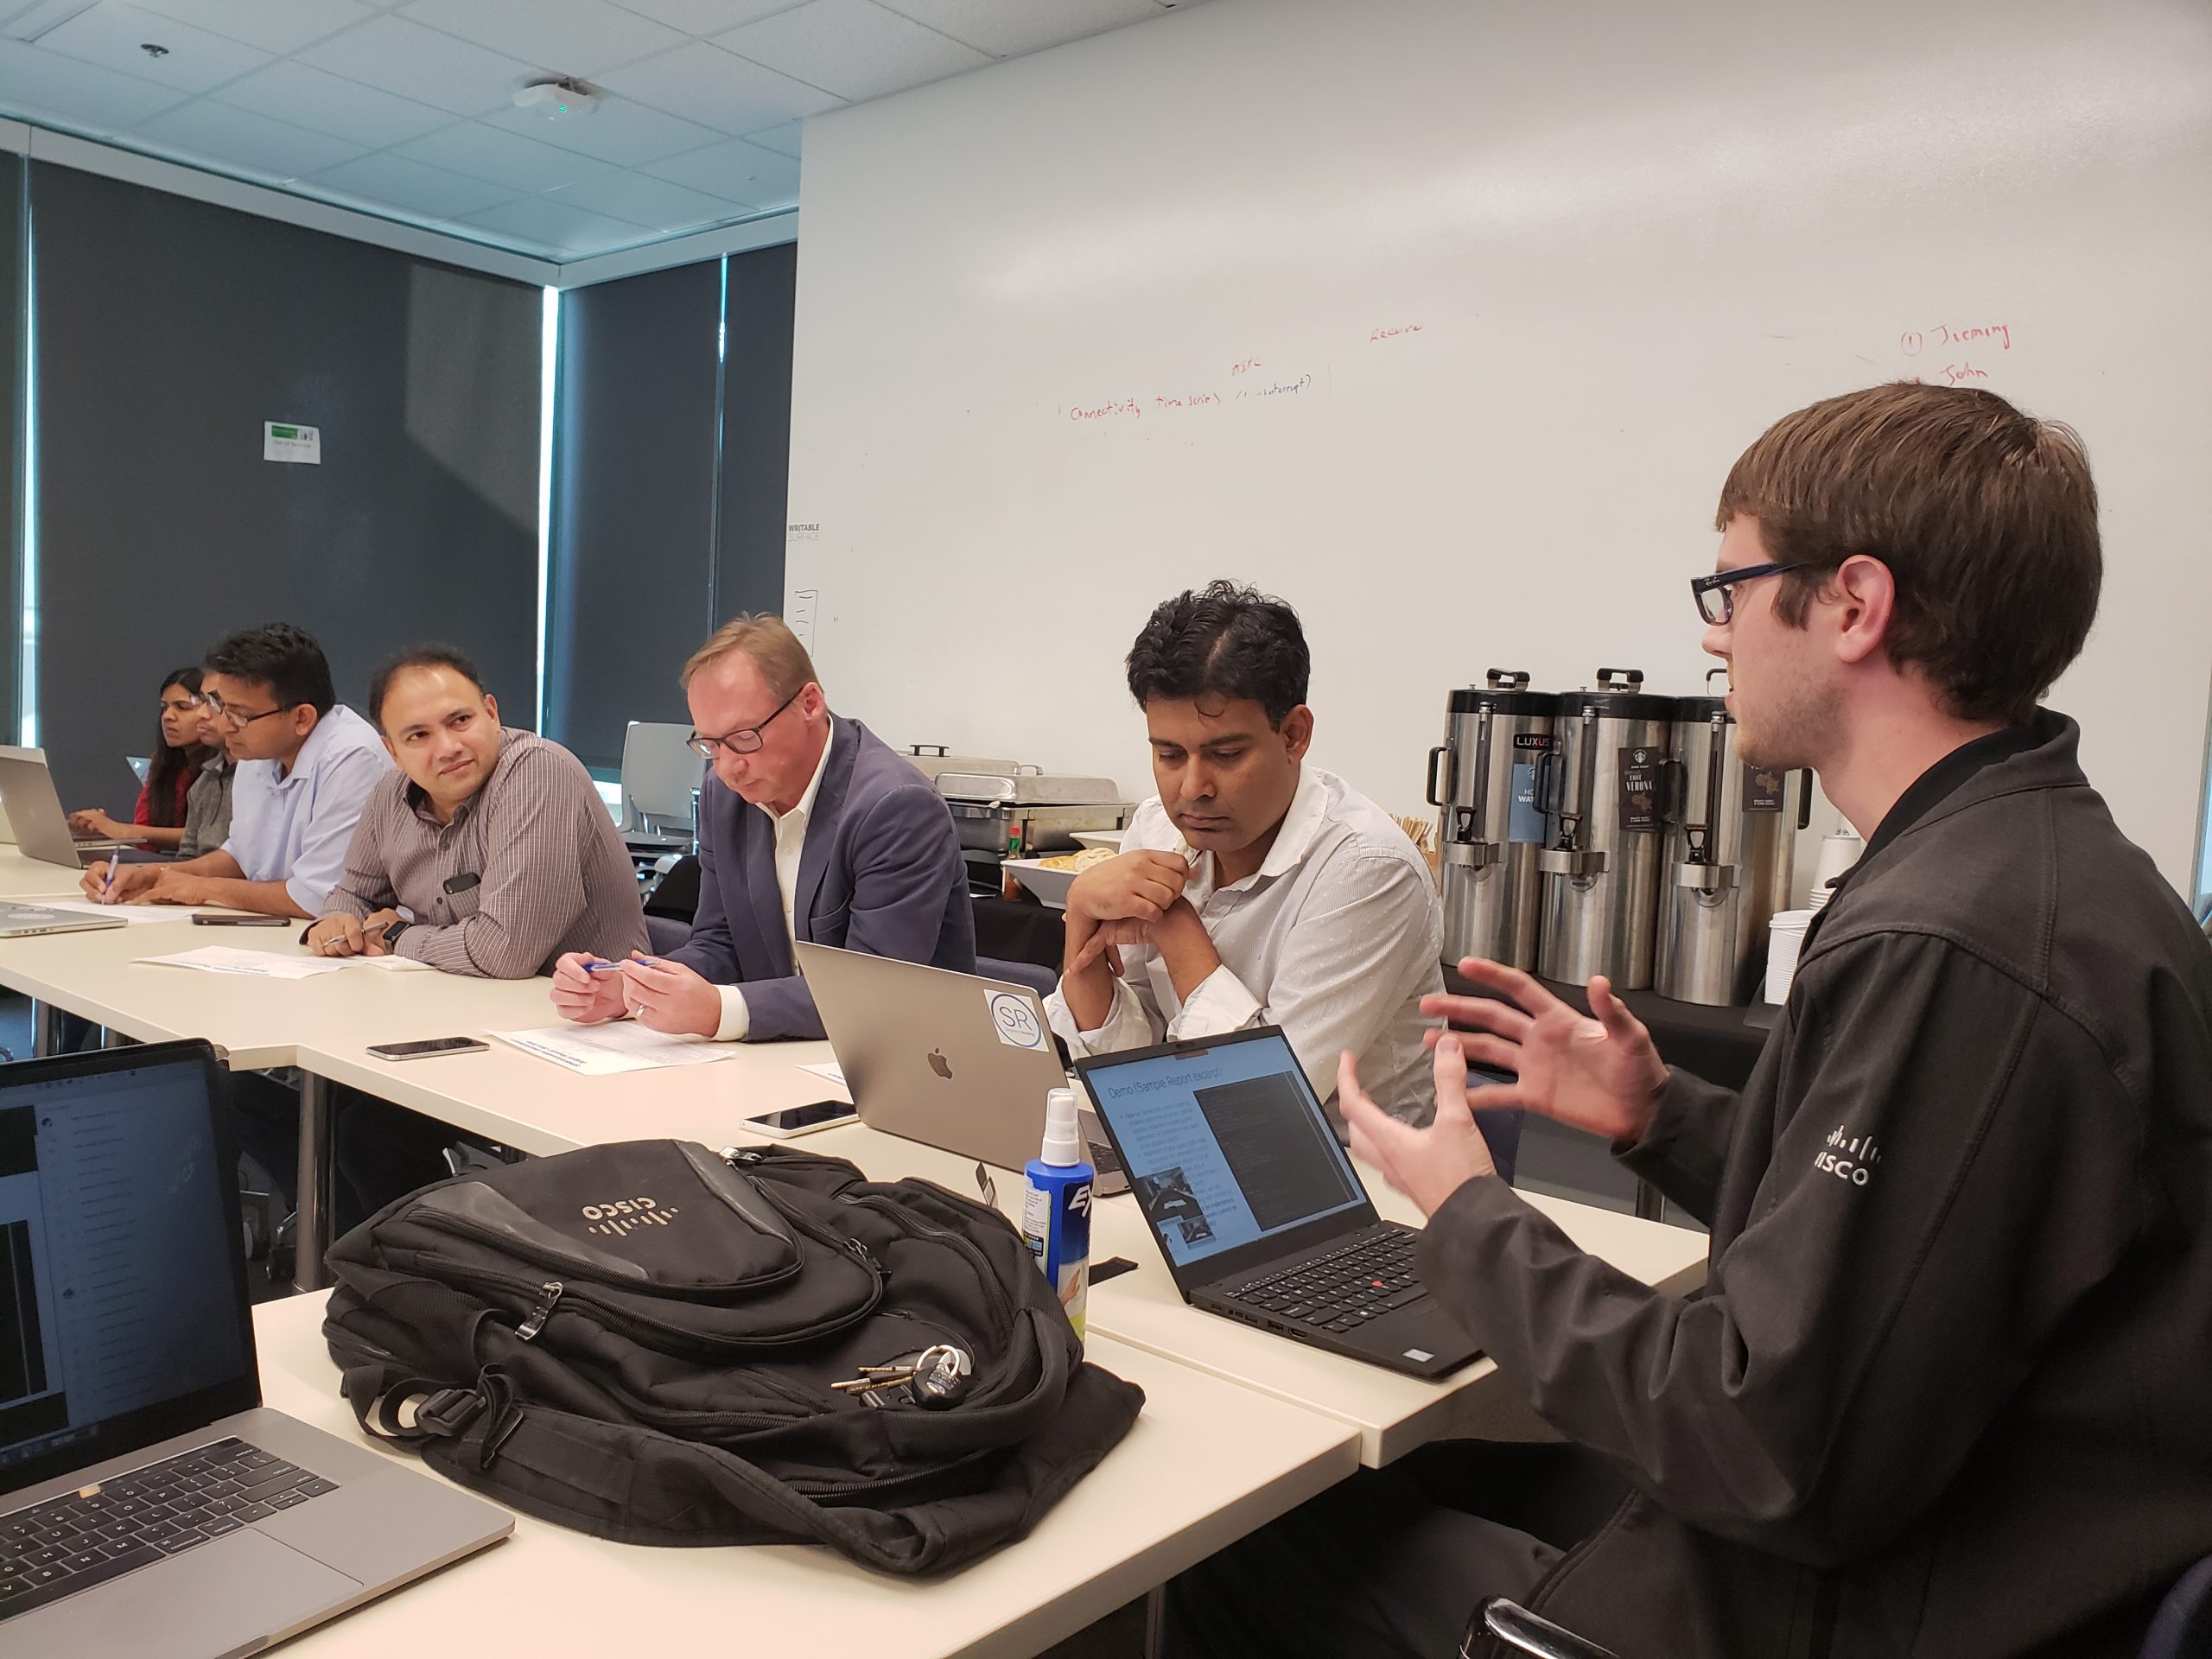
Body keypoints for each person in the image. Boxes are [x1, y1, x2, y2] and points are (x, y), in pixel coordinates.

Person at [1166, 385, 2212, 1658]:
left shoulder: (1955, 947)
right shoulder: (2026, 869)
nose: (1714, 640)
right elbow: (1909, 1246)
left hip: (1852, 1593)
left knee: (1244, 1546)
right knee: (1388, 1484)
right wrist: (1665, 1117)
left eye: (1730, 591)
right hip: (1926, 1519)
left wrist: (1467, 1214)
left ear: (1853, 605)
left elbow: (1762, 1444)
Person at [1043, 582, 1444, 1125]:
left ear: (1294, 735)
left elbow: (1268, 1108)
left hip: (1358, 1178)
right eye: (1168, 754)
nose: (1191, 788)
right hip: (1185, 1139)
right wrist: (1082, 933)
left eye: (1225, 754)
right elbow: (1130, 1071)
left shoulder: (1368, 870)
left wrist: (1177, 929)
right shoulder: (1158, 827)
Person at [548, 614, 975, 1039]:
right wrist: (634, 986)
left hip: (905, 1066)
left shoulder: (895, 808)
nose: (729, 767)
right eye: (711, 744)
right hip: (782, 1058)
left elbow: (871, 994)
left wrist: (719, 1011)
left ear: (810, 703)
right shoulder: (726, 794)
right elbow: (721, 943)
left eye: (745, 736)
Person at [307, 645, 647, 975]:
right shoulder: (391, 793)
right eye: (419, 735)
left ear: (491, 713)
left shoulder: (539, 772)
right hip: (461, 1001)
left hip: (583, 1017)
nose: (448, 748)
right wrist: (338, 919)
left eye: (460, 720)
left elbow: (506, 951)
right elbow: (353, 895)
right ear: (392, 750)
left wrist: (398, 936)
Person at [82, 623, 388, 917]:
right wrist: (152, 874)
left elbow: (318, 897)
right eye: (220, 706)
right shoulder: (256, 750)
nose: (222, 723)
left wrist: (202, 889)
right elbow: (239, 857)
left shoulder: (352, 756)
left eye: (239, 714)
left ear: (302, 718)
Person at [67, 665, 226, 854]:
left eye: (182, 707)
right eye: (164, 708)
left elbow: (213, 838)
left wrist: (125, 831)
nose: (168, 716)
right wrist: (100, 830)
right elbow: (144, 830)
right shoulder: (164, 765)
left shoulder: (228, 766)